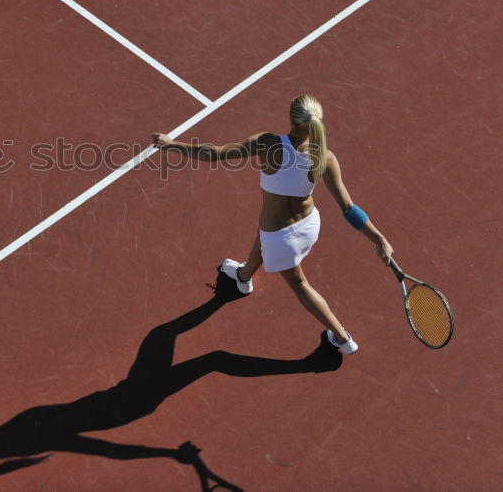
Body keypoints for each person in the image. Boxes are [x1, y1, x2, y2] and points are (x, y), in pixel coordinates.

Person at [152, 94, 394, 354]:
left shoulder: (267, 143)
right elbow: (348, 208)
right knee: (264, 234)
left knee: (299, 283)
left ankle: (342, 337)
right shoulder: (326, 157)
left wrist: (170, 144)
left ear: (291, 119)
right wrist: (379, 239)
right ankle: (243, 278)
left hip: (281, 238)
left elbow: (216, 154)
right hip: (309, 225)